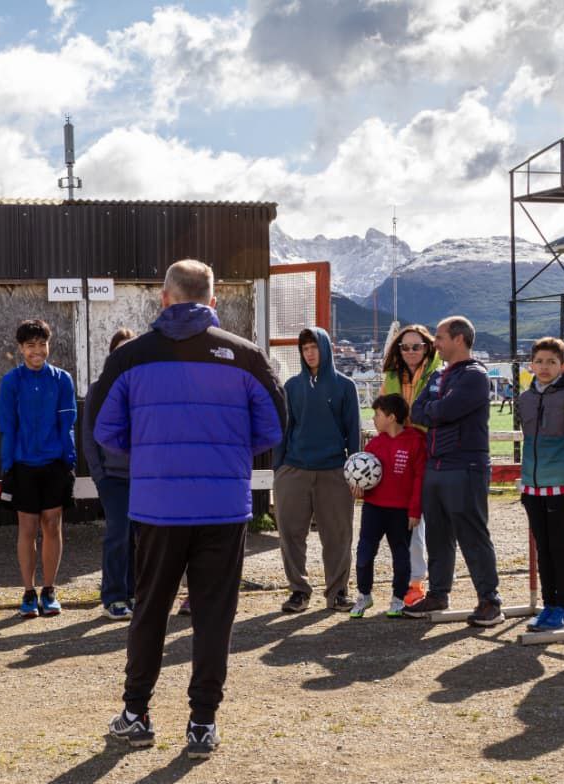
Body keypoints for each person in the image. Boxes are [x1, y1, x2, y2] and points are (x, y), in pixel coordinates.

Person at [92, 258, 285, 758]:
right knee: (214, 616)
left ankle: (136, 714)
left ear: (165, 298)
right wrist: (226, 451)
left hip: (158, 507)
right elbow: (273, 427)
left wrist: (153, 452)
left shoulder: (131, 356)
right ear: (213, 301)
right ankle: (202, 722)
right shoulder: (245, 356)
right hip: (223, 507)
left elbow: (104, 428)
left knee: (150, 608)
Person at [401, 316, 504, 625]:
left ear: (459, 339)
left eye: (440, 337)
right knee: (438, 535)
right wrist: (437, 411)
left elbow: (445, 410)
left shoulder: (475, 376)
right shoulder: (437, 375)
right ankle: (438, 595)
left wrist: (435, 410)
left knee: (472, 534)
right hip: (436, 465)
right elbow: (417, 411)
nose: (435, 344)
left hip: (465, 465)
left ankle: (490, 601)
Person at [273, 327, 360, 613]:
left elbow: (353, 433)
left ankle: (338, 592)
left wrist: (353, 473)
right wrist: (279, 470)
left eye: (314, 347)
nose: (309, 353)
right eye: (305, 348)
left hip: (334, 471)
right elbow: (284, 431)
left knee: (338, 536)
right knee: (291, 535)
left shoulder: (345, 386)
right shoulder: (292, 386)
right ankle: (298, 591)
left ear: (325, 349)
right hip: (294, 470)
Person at [0, 319, 77, 618]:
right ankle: (29, 593)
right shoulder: (11, 381)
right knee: (28, 529)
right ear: (21, 348)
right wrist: (8, 466)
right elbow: (8, 426)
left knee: (52, 526)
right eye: (30, 345)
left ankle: (49, 590)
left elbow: (68, 423)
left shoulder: (62, 379)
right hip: (23, 465)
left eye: (42, 344)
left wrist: (68, 461)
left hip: (55, 464)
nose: (37, 351)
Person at [516, 337, 564, 631]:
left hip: (561, 484)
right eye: (539, 361)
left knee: (560, 546)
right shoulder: (525, 398)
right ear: (531, 365)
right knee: (543, 547)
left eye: (551, 362)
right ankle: (549, 605)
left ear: (563, 366)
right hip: (532, 485)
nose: (544, 367)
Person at [348, 394, 426, 618]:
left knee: (401, 557)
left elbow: (420, 479)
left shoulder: (415, 441)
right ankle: (364, 595)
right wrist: (359, 490)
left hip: (401, 511)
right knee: (364, 553)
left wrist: (415, 510)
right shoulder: (374, 445)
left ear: (391, 417)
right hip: (373, 508)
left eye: (377, 414)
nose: (373, 419)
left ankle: (398, 598)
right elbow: (363, 477)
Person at [380, 324, 440, 606]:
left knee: (433, 521)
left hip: (431, 453)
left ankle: (434, 582)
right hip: (402, 453)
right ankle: (412, 582)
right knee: (408, 520)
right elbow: (382, 415)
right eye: (405, 347)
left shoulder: (439, 375)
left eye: (417, 346)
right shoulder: (391, 377)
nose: (411, 351)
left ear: (427, 348)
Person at [82, 327, 137, 619]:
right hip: (113, 478)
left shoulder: (145, 387)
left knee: (141, 537)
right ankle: (113, 597)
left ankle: (135, 593)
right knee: (118, 534)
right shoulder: (99, 389)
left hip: (144, 477)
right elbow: (88, 436)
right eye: (120, 349)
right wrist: (99, 475)